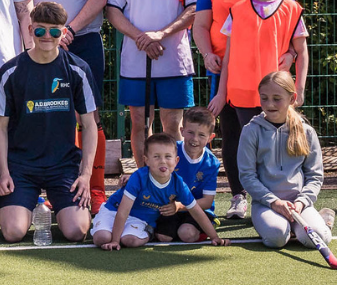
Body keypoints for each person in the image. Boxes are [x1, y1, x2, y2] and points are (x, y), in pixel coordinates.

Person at [191, 0, 295, 218]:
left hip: (267, 74)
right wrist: (208, 53)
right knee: (232, 135)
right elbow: (200, 25)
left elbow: (289, 19)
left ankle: (275, 195)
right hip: (227, 74)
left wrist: (290, 54)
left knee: (270, 137)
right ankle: (238, 197)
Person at [16, 0, 110, 213]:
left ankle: (93, 188)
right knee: (44, 112)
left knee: (90, 116)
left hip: (83, 41)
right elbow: (24, 1)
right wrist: (39, 38)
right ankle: (46, 189)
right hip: (41, 45)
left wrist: (68, 30)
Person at [208, 0, 309, 219]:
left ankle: (277, 200)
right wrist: (221, 91)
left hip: (276, 94)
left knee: (277, 148)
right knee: (244, 146)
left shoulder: (291, 9)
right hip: (241, 92)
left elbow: (302, 51)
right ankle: (241, 198)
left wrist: (300, 86)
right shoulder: (237, 10)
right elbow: (228, 56)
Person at [0, 2, 97, 244]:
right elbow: (0, 128)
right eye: (40, 30)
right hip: (21, 168)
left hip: (63, 166)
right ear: (30, 30)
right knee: (13, 232)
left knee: (76, 231)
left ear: (63, 33)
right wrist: (3, 172)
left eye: (55, 31)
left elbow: (89, 126)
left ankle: (63, 210)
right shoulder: (11, 71)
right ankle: (13, 209)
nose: (47, 36)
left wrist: (86, 175)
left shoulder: (78, 69)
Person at [105, 0, 200, 165]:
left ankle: (174, 183)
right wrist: (142, 38)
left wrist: (161, 34)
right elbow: (112, 10)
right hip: (136, 59)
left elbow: (196, 7)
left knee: (173, 124)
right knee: (139, 122)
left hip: (174, 58)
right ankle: (145, 184)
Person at [237, 71, 334, 249]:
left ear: (292, 98)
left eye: (276, 98)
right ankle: (281, 226)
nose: (269, 104)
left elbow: (315, 175)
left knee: (319, 238)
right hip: (266, 204)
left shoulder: (306, 132)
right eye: (264, 98)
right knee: (276, 238)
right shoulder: (251, 131)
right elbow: (247, 176)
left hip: (299, 204)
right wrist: (274, 202)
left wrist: (302, 201)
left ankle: (321, 222)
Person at [91, 133, 228, 250]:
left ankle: (148, 233)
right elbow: (123, 211)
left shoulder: (178, 184)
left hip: (140, 219)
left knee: (129, 241)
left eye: (168, 157)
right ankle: (110, 232)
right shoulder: (138, 177)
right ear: (147, 160)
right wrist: (115, 240)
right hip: (113, 211)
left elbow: (197, 211)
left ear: (176, 161)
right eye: (156, 157)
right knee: (102, 238)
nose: (163, 162)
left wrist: (215, 237)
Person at [154, 107, 221, 242]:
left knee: (187, 234)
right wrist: (132, 177)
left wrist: (179, 206)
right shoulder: (170, 151)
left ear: (210, 138)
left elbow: (207, 202)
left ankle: (203, 229)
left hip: (197, 209)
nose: (194, 139)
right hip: (170, 206)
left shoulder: (212, 163)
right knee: (163, 237)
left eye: (201, 135)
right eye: (190, 132)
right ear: (182, 131)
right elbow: (150, 172)